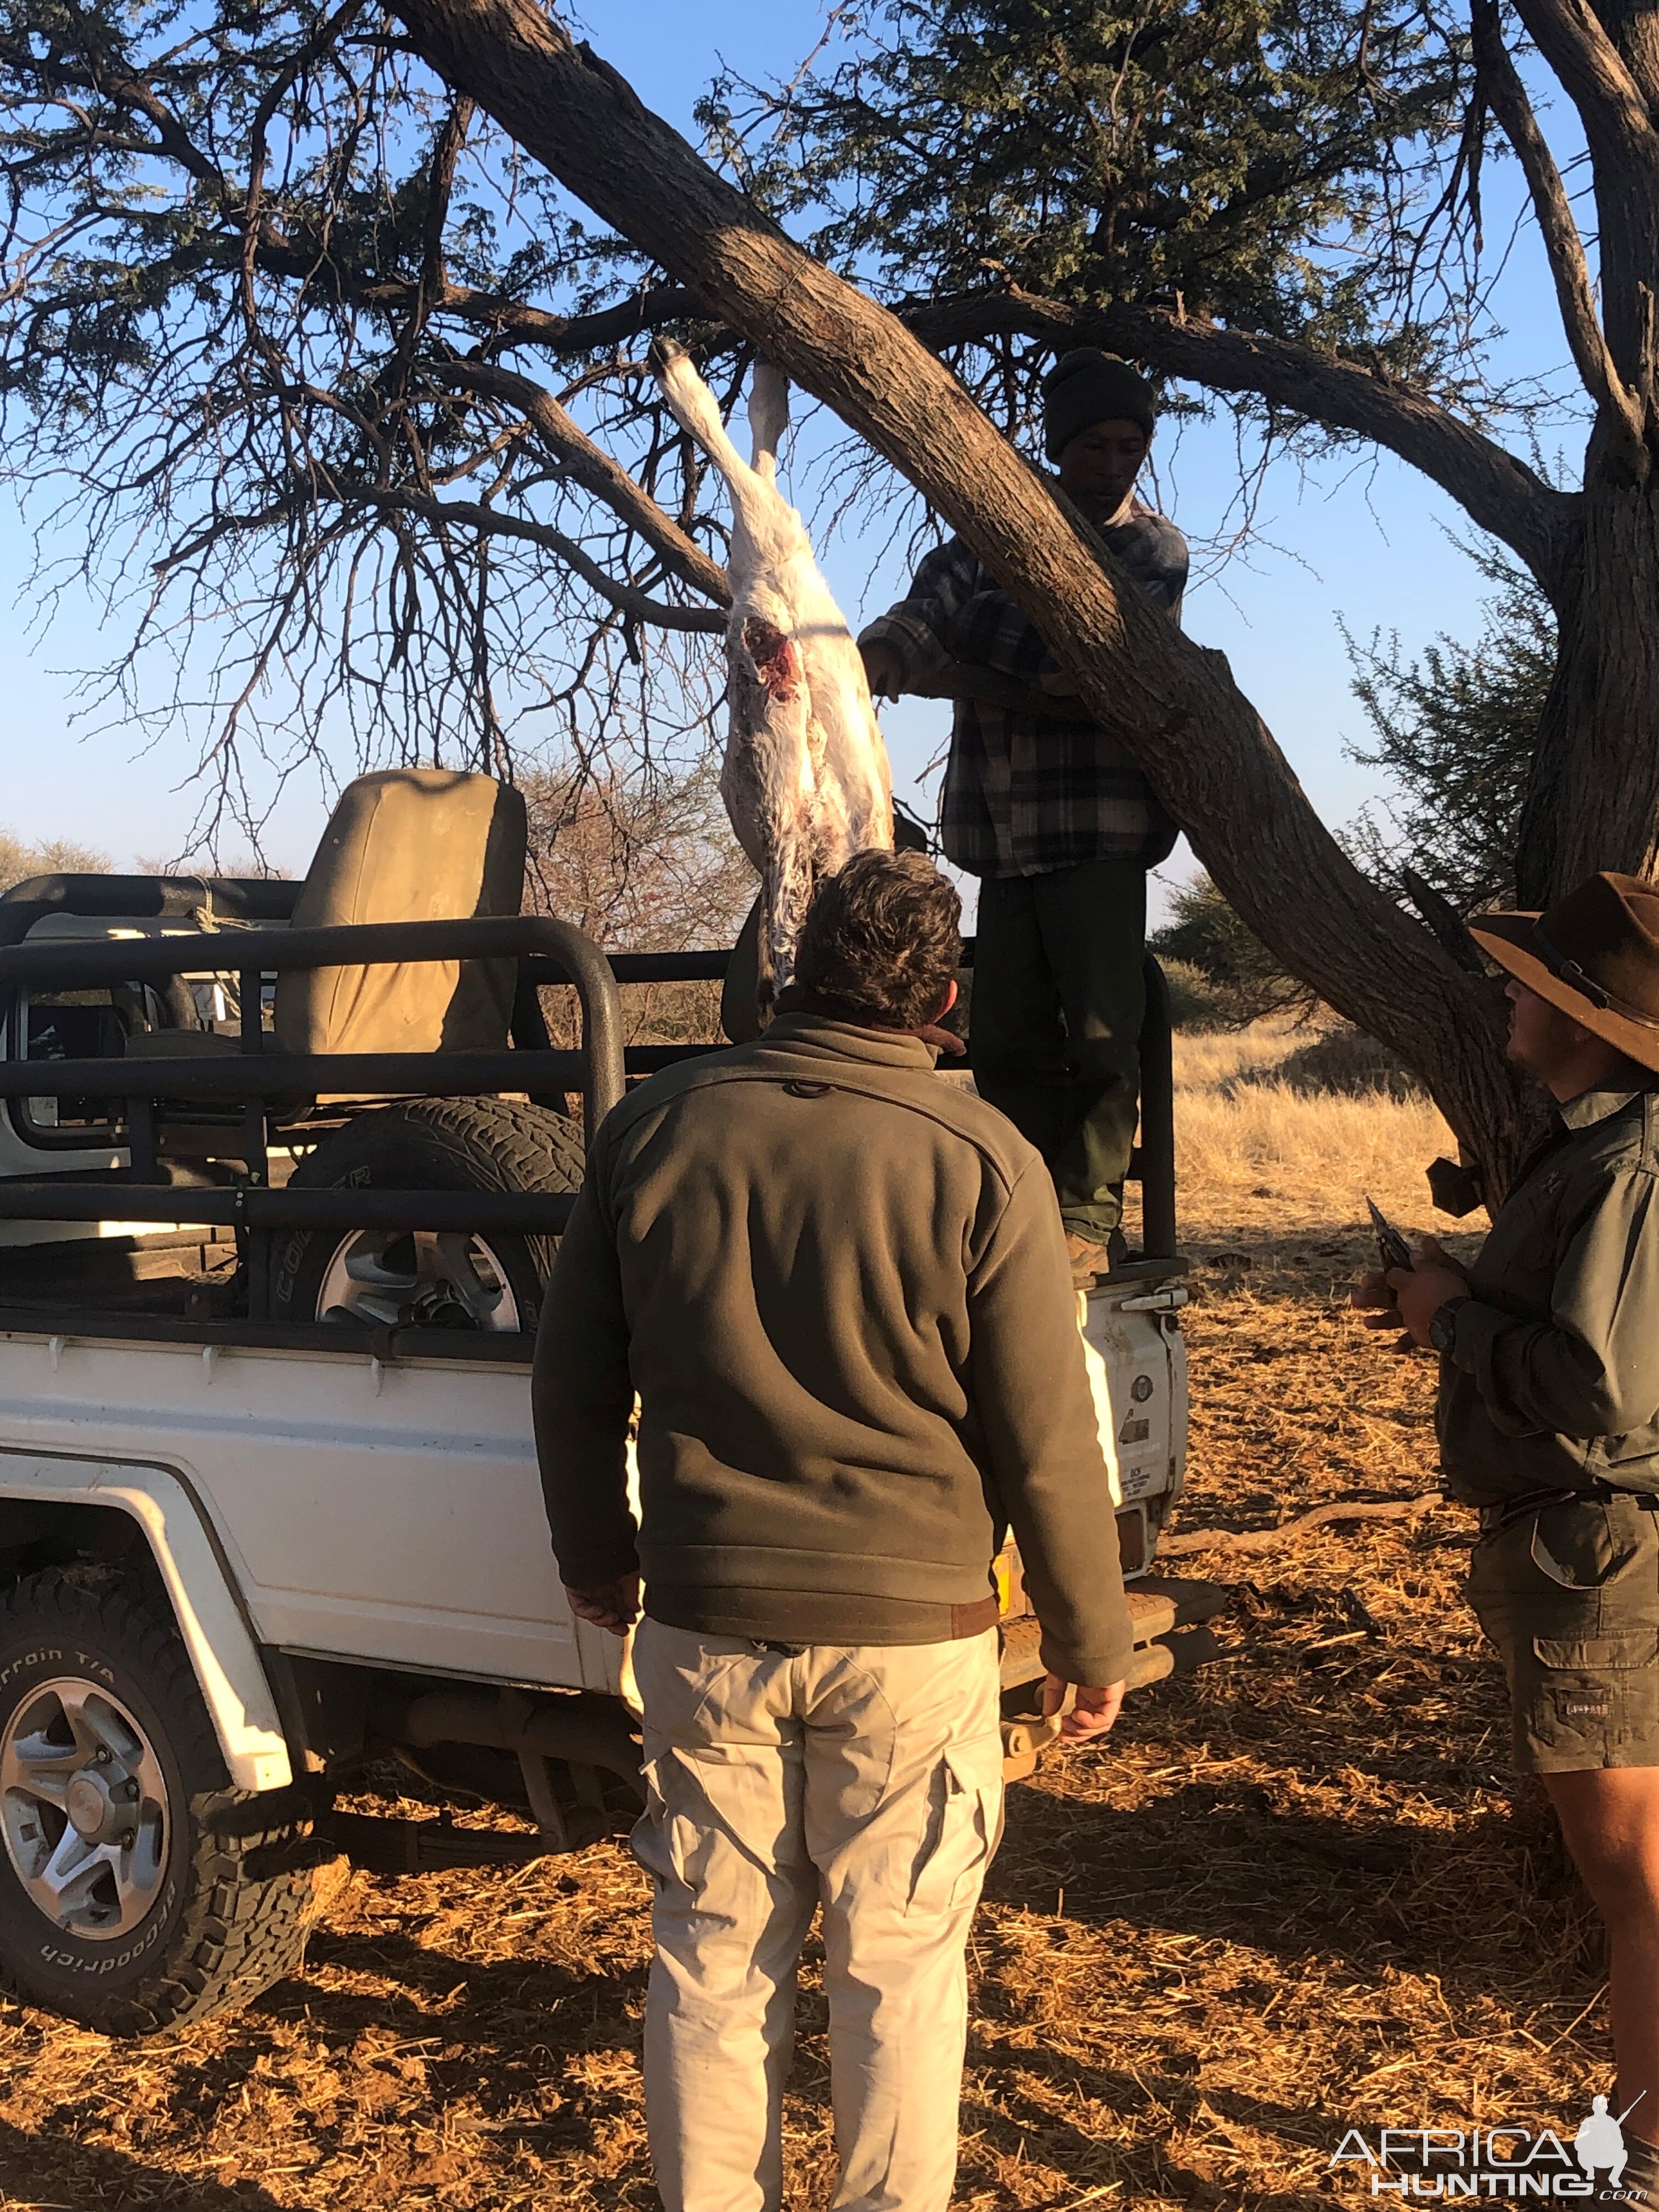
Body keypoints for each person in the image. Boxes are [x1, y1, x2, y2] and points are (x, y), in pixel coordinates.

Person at [533, 848, 1135, 2212]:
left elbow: (572, 1382)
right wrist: (1093, 1638)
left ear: (792, 969)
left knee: (708, 1954)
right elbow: (1045, 1439)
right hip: (914, 1643)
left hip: (702, 1622)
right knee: (902, 1970)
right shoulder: (985, 1156)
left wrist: (599, 1562)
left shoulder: (653, 1127)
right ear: (943, 995)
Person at [1354, 870, 1659, 2207]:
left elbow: (1601, 1387)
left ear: (1582, 1020)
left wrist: (1448, 1323)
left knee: (1636, 1876)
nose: (1504, 1000)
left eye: (1526, 986)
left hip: (1596, 1553)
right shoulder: (1604, 1153)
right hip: (1585, 1543)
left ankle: (1642, 2162)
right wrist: (1459, 1295)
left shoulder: (1628, 1163)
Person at [858, 347, 1188, 1285]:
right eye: (1095, 444)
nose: (1114, 462)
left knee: (1099, 1036)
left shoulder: (1152, 551)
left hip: (1099, 834)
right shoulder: (986, 530)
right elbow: (930, 607)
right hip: (1000, 836)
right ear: (1061, 445)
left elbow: (1078, 669)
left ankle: (1087, 1217)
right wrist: (886, 654)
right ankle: (1017, 1203)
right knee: (1000, 1036)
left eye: (1131, 444)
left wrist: (953, 663)